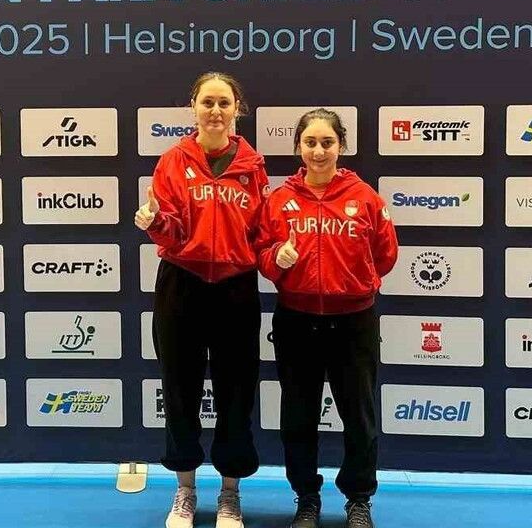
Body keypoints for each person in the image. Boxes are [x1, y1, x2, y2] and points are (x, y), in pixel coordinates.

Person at [135, 71, 269, 528]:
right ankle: (185, 490)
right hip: (182, 283)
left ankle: (230, 493)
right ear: (194, 107)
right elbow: (170, 227)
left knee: (235, 390)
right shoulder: (173, 161)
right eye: (207, 102)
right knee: (180, 387)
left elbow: (258, 231)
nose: (215, 111)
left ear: (237, 110)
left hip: (235, 287)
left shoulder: (253, 166)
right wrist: (155, 222)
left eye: (224, 103)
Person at [256, 109, 398, 528]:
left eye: (327, 143)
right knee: (298, 417)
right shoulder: (280, 201)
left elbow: (386, 254)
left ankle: (358, 499)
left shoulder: (366, 197)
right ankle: (306, 498)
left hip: (353, 323)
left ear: (341, 146)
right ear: (298, 147)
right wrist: (276, 259)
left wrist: (356, 281)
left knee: (360, 416)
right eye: (310, 143)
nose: (318, 151)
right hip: (297, 322)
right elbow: (262, 255)